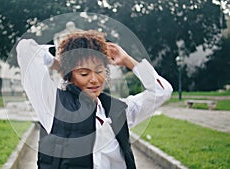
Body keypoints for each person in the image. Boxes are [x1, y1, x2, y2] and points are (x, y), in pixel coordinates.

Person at [16, 30, 173, 169]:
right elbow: (26, 50)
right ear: (70, 77)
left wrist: (127, 60)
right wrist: (58, 65)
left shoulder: (118, 110)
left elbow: (162, 91)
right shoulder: (54, 106)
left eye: (99, 71)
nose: (94, 80)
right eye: (84, 74)